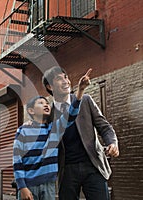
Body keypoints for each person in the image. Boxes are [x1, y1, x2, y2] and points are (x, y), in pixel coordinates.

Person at [13, 69, 92, 200]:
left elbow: (70, 115)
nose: (46, 105)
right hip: (29, 186)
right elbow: (17, 160)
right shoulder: (23, 131)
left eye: (46, 103)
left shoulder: (53, 129)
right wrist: (22, 187)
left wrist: (80, 91)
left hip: (49, 184)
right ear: (31, 110)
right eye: (40, 103)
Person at [42, 66, 119, 200]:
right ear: (50, 87)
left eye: (65, 77)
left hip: (93, 165)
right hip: (66, 170)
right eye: (59, 79)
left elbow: (105, 127)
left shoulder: (86, 101)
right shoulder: (48, 114)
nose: (65, 81)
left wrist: (112, 143)